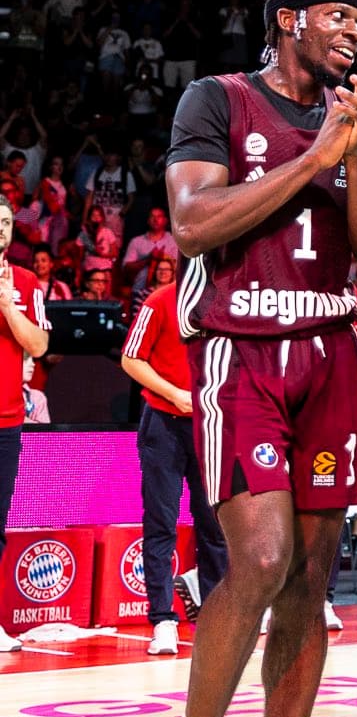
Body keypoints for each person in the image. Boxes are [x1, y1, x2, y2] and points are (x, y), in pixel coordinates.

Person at [165, 0, 357, 717]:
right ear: (288, 20)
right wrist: (311, 160)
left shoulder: (353, 121)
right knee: (260, 559)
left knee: (307, 579)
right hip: (243, 352)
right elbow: (193, 222)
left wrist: (355, 152)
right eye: (338, 16)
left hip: (331, 352)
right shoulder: (217, 99)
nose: (352, 34)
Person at [121, 279, 229, 656]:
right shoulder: (159, 300)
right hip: (164, 423)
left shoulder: (230, 301)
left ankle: (217, 617)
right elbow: (131, 358)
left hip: (210, 424)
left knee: (215, 524)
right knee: (161, 523)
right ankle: (163, 620)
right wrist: (173, 393)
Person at [0, 200, 51, 654]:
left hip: (7, 420)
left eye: (6, 224)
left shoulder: (26, 282)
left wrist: (7, 306)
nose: (1, 230)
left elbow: (38, 343)